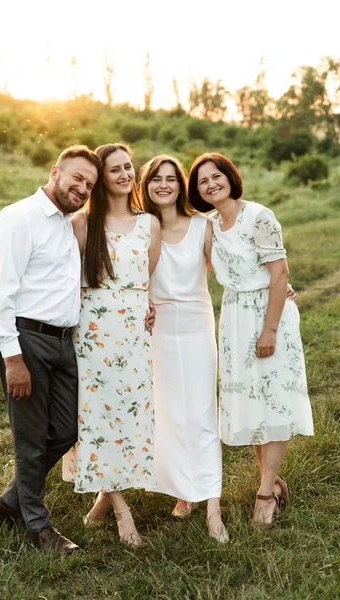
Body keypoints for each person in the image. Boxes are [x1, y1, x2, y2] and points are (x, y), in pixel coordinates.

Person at [0, 145, 101, 554]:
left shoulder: (69, 224)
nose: (82, 187)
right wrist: (13, 359)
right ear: (55, 171)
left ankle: (11, 501)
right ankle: (38, 527)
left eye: (89, 183)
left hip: (63, 341)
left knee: (68, 429)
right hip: (26, 341)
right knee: (31, 439)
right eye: (76, 178)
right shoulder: (20, 218)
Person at [188, 152, 314, 527]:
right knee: (253, 402)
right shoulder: (208, 224)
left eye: (216, 176)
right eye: (202, 182)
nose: (211, 185)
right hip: (234, 319)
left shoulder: (259, 217)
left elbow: (279, 274)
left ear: (230, 176)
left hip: (265, 315)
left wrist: (270, 329)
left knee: (274, 402)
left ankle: (264, 495)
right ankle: (273, 483)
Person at [62, 143, 161, 547]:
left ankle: (105, 492)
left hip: (135, 331)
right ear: (101, 178)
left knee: (129, 413)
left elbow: (146, 275)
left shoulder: (149, 223)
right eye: (115, 169)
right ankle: (122, 509)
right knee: (97, 415)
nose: (125, 174)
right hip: (95, 330)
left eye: (129, 167)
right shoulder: (83, 223)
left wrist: (146, 302)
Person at [139, 154, 228, 543]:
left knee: (202, 413)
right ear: (147, 185)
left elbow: (229, 269)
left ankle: (213, 506)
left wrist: (278, 282)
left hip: (195, 327)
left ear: (181, 185)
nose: (163, 185)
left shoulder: (203, 226)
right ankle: (182, 494)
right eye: (156, 179)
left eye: (171, 179)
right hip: (157, 331)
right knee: (168, 412)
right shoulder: (143, 227)